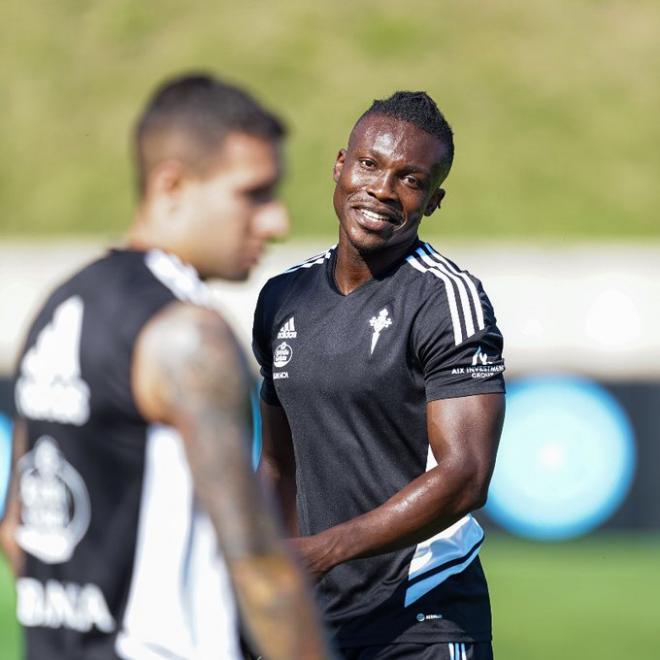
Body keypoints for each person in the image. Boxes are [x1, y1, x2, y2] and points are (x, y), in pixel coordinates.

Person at [0, 73, 332, 660]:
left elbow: (18, 529)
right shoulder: (189, 336)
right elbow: (260, 567)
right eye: (253, 194)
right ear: (172, 185)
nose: (275, 220)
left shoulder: (59, 307)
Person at [253, 91, 506, 660]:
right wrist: (262, 569)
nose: (384, 190)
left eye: (411, 179)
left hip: (422, 612)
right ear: (340, 165)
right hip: (312, 617)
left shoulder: (446, 299)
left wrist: (324, 550)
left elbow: (465, 476)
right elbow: (277, 463)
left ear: (433, 201)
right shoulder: (281, 297)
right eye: (370, 164)